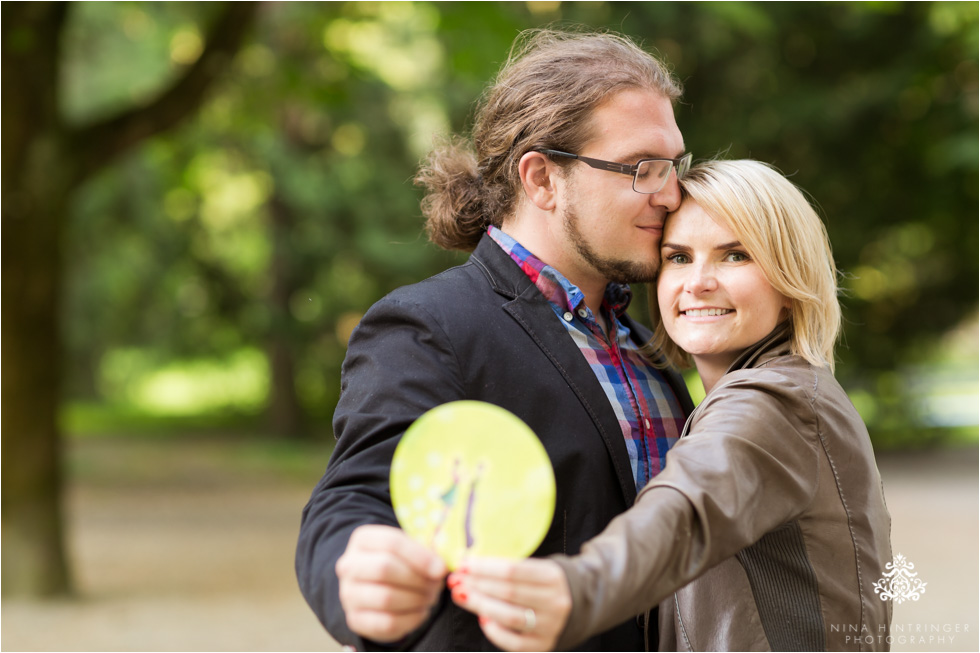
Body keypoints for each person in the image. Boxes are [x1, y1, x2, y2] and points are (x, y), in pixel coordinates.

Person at [295, 28, 697, 651]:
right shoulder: (430, 327)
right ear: (540, 178)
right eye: (642, 168)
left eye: (674, 166)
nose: (671, 194)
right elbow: (354, 498)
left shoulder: (651, 345)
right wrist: (355, 569)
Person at [448, 160, 894, 651]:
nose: (698, 281)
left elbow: (687, 507)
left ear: (789, 283)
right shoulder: (751, 391)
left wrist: (576, 589)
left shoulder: (779, 401)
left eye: (735, 255)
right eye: (678, 257)